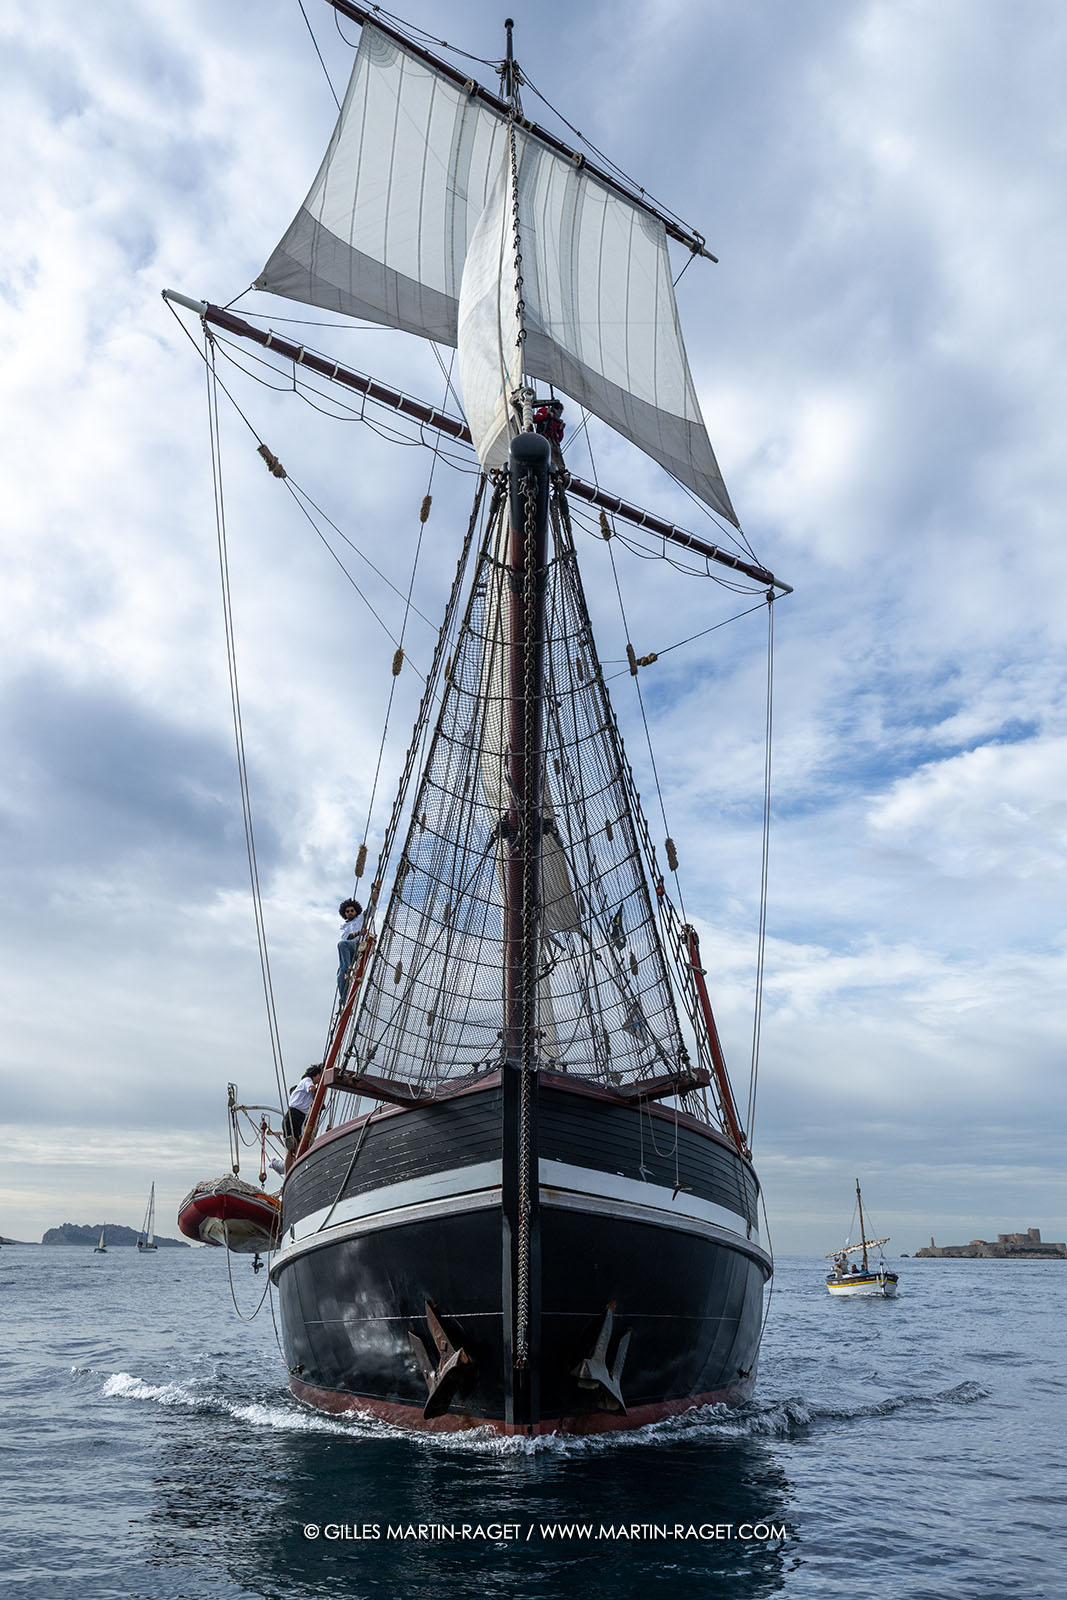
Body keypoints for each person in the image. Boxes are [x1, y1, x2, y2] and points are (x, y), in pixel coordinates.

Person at [282, 1063, 325, 1167]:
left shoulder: (307, 1082)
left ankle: (293, 1171)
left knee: (297, 1148)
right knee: (292, 1147)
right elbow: (310, 1088)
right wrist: (316, 1091)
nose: (320, 1080)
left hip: (299, 1116)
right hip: (294, 1115)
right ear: (317, 1075)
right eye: (320, 1076)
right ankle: (288, 1174)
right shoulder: (307, 1080)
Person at [337, 898, 365, 999]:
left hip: (359, 946)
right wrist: (358, 933)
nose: (350, 913)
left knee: (342, 944)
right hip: (349, 951)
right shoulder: (343, 926)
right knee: (340, 975)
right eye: (347, 911)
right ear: (344, 913)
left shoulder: (361, 918)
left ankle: (347, 969)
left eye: (352, 911)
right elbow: (346, 937)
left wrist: (376, 891)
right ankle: (344, 1002)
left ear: (356, 911)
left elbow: (372, 907)